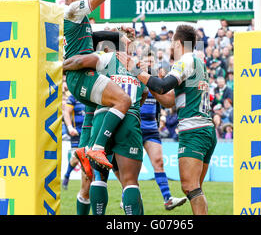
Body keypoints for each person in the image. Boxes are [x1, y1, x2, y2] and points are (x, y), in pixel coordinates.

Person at [117, 25, 217, 215]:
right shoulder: (197, 62)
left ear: (178, 43)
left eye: (172, 43)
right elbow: (169, 100)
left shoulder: (184, 61)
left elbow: (163, 87)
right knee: (195, 188)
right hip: (205, 130)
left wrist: (136, 71)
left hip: (194, 130)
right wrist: (152, 80)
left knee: (190, 187)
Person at [63, 32, 149, 215]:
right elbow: (144, 94)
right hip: (129, 119)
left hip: (102, 117)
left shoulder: (104, 57)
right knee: (130, 181)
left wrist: (56, 67)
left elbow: (79, 64)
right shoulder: (134, 67)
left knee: (98, 179)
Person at [63, 0, 133, 172]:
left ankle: (84, 149)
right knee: (123, 100)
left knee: (94, 109)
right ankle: (98, 147)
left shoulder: (77, 19)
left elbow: (90, 39)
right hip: (81, 75)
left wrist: (118, 30)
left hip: (78, 76)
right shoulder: (73, 9)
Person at [139, 52, 187, 210]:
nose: (150, 65)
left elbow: (162, 105)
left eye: (152, 62)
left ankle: (168, 199)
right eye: (147, 61)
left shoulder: (157, 83)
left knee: (159, 162)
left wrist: (161, 120)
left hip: (151, 128)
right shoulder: (135, 78)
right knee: (131, 169)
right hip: (134, 127)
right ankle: (128, 196)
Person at [62, 94, 86, 190]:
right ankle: (67, 176)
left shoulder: (91, 94)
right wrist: (70, 127)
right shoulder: (73, 97)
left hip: (89, 132)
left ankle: (84, 188)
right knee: (76, 158)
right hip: (77, 133)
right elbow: (66, 112)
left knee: (86, 160)